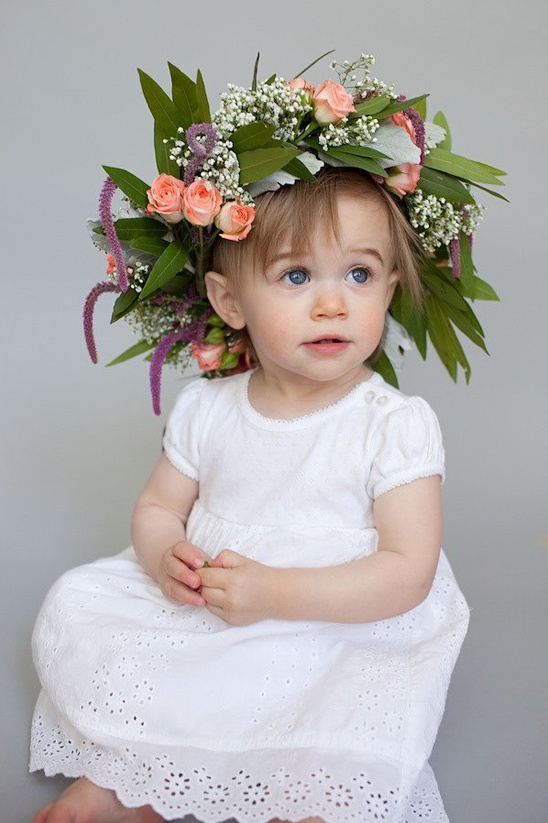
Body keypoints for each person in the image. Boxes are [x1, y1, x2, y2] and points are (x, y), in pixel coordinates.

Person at [30, 54, 504, 823]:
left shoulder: (393, 424)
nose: (330, 306)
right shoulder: (208, 410)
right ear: (230, 299)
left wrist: (279, 593)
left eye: (358, 275)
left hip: (333, 621)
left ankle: (294, 794)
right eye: (294, 278)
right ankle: (132, 778)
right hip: (219, 606)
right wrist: (164, 557)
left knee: (334, 699)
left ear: (390, 287)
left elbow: (407, 571)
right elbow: (157, 508)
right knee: (91, 613)